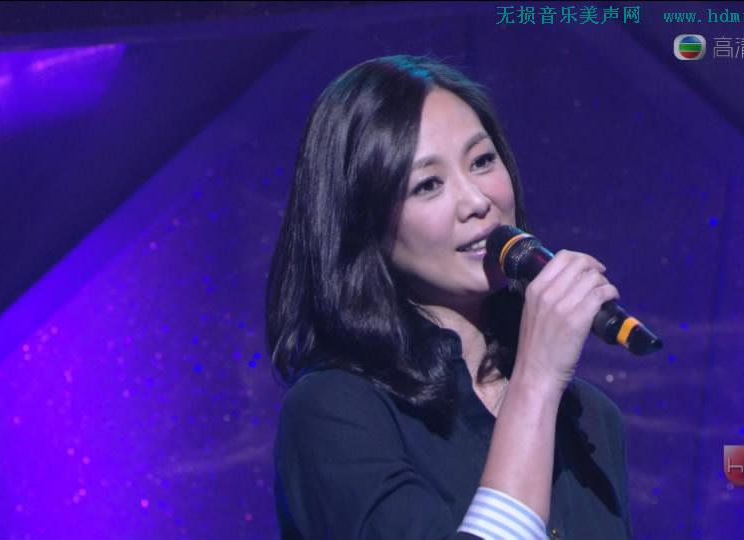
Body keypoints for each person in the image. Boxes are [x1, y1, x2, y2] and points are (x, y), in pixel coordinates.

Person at [266, 55, 632, 540]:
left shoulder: (590, 418)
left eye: (482, 161)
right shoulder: (333, 411)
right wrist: (537, 381)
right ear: (363, 224)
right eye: (428, 184)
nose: (477, 201)